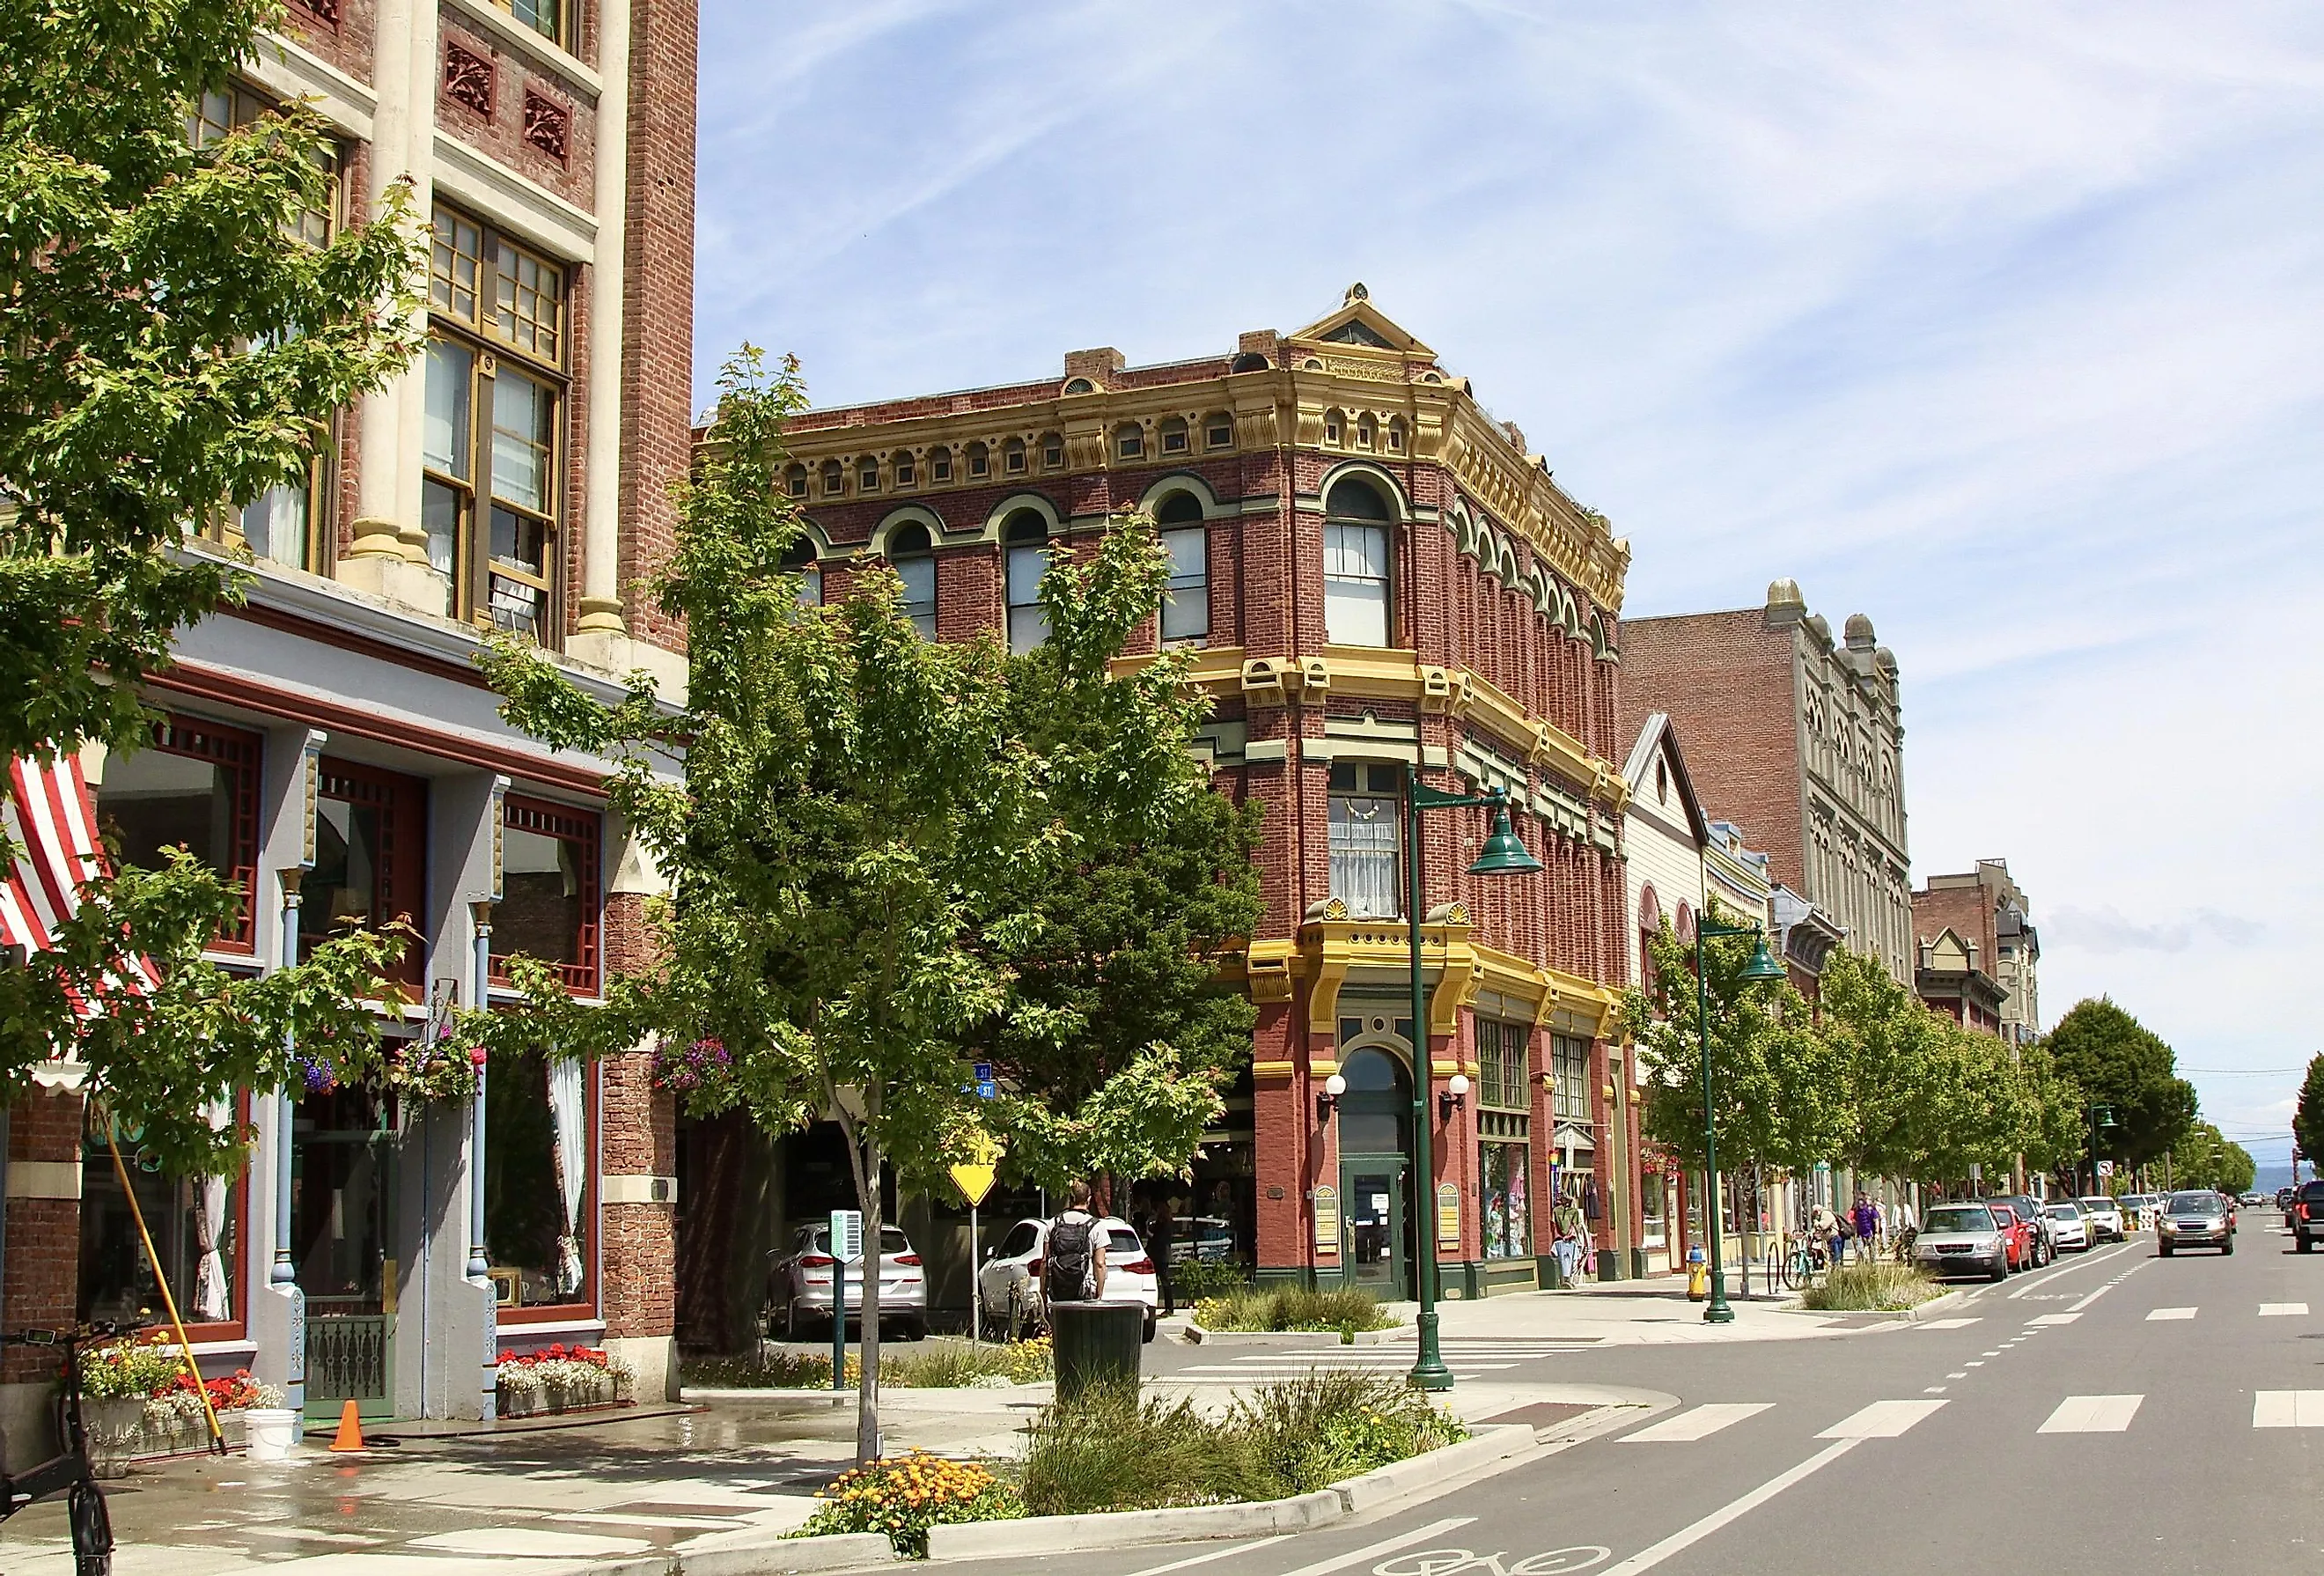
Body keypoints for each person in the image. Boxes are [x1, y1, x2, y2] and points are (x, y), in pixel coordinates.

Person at [1151, 1194, 1179, 1317]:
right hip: (1163, 1255)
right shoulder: (1168, 1223)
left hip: (1160, 1255)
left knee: (1162, 1282)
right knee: (1163, 1282)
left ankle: (1168, 1307)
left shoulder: (1163, 1223)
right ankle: (1169, 1307)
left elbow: (1157, 1238)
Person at [1552, 1192, 1587, 1285]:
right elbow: (1553, 1225)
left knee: (1574, 1259)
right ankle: (1564, 1280)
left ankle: (1571, 1279)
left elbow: (1576, 1225)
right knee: (1562, 1259)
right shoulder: (1556, 1211)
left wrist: (1573, 1235)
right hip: (1560, 1239)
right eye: (1564, 1199)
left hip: (1571, 1239)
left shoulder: (1574, 1211)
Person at [1812, 1200, 1843, 1270]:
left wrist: (1816, 1223)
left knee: (1836, 1257)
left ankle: (1837, 1273)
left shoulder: (1826, 1214)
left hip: (1834, 1238)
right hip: (1830, 1239)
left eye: (1815, 1212)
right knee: (1832, 1257)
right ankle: (1834, 1271)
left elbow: (1823, 1225)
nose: (1815, 1215)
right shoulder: (1822, 1215)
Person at [1852, 1195, 1879, 1262]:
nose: (1860, 1205)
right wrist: (1855, 1233)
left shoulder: (1870, 1210)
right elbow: (1856, 1222)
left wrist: (1876, 1232)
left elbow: (1876, 1220)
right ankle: (1862, 1264)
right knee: (1860, 1250)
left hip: (1870, 1233)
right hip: (1860, 1234)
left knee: (1872, 1250)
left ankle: (1872, 1264)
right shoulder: (1857, 1211)